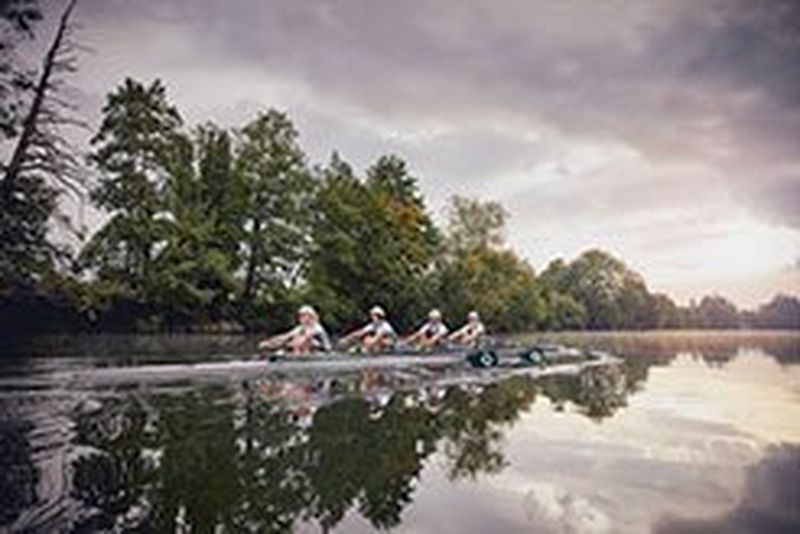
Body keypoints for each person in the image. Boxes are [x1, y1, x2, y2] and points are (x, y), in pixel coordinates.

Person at [258, 305, 331, 354]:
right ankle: (296, 356)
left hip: (322, 352)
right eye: (302, 316)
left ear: (312, 317)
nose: (305, 318)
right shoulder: (300, 328)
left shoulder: (317, 328)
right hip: (306, 351)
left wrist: (286, 346)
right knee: (294, 339)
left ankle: (301, 358)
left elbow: (305, 338)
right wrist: (270, 342)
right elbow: (285, 337)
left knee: (302, 339)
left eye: (307, 316)